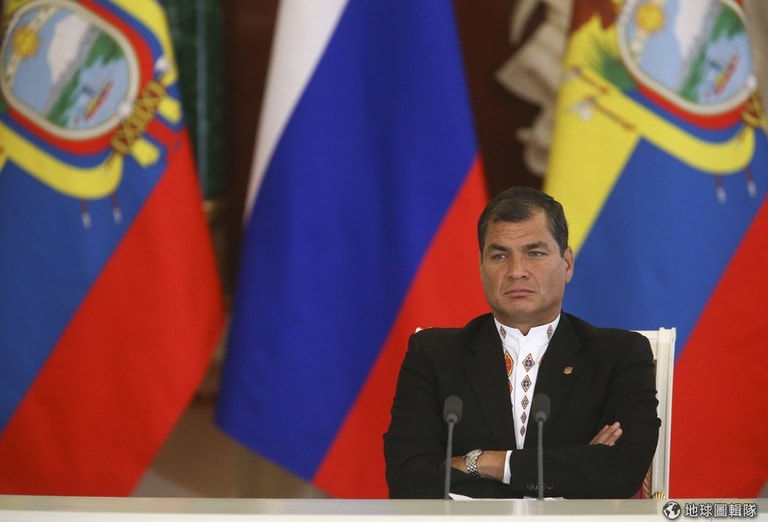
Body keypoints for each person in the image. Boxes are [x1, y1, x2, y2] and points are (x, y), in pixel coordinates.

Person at [383, 186, 660, 499]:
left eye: (535, 253)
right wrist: (571, 475)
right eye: (500, 256)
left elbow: (621, 471)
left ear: (567, 264)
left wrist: (483, 463)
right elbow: (408, 479)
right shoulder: (434, 354)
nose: (516, 271)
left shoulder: (618, 354)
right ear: (481, 267)